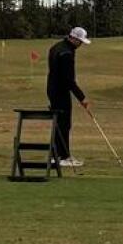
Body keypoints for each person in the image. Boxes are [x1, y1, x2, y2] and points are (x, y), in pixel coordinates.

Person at [47, 27, 91, 168]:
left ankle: (56, 156)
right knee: (64, 124)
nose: (81, 45)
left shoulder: (56, 47)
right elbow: (69, 80)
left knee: (59, 124)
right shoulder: (66, 53)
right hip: (61, 91)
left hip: (52, 89)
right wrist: (82, 97)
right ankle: (64, 157)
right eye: (80, 41)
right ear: (74, 39)